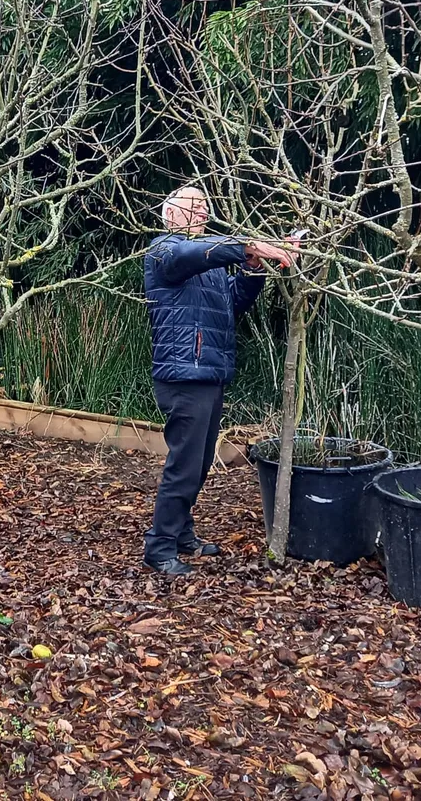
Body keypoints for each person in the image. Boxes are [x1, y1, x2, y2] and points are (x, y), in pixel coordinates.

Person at [143, 186, 295, 576]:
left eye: (205, 207)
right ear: (171, 214)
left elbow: (234, 301)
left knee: (198, 463)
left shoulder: (210, 267)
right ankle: (159, 547)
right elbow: (192, 253)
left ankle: (182, 534)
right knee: (185, 464)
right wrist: (248, 245)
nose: (202, 212)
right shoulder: (164, 252)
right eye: (195, 206)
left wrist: (256, 264)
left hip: (209, 374)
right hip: (184, 376)